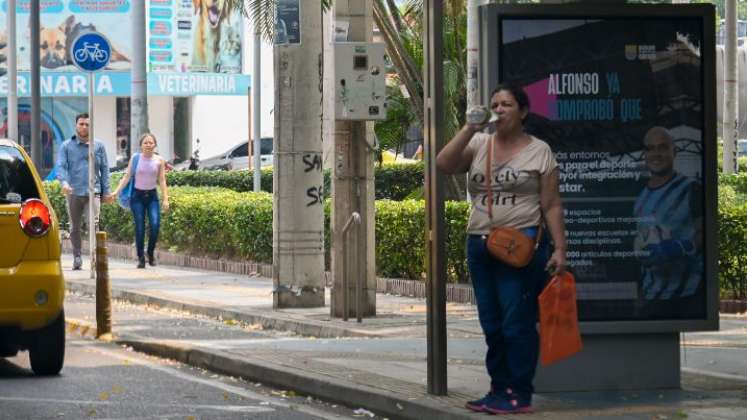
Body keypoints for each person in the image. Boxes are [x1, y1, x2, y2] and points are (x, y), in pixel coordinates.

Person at [436, 83, 567, 415]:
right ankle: (498, 388)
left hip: (520, 244)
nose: (500, 109)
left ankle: (519, 393)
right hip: (480, 241)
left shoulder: (540, 151)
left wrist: (560, 250)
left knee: (515, 322)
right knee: (491, 321)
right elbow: (444, 163)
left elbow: (551, 204)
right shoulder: (480, 143)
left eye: (507, 104)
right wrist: (470, 127)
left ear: (523, 112)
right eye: (496, 104)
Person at [634, 126, 703, 314]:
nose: (656, 153)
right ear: (644, 154)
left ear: (674, 151)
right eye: (650, 148)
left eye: (663, 147)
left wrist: (681, 247)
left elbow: (705, 233)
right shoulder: (640, 198)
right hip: (651, 297)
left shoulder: (691, 188)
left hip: (685, 295)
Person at [56, 113, 112, 270]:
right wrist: (64, 183)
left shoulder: (98, 146)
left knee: (93, 225)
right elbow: (61, 166)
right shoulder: (67, 146)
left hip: (93, 192)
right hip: (73, 192)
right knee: (74, 227)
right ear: (76, 125)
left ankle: (95, 256)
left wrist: (106, 191)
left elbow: (105, 169)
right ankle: (77, 256)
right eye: (81, 124)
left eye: (87, 124)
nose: (84, 127)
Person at [111, 133, 170, 268]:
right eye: (146, 143)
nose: (148, 145)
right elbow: (127, 176)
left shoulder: (159, 160)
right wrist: (116, 192)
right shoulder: (136, 158)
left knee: (155, 225)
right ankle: (140, 258)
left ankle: (150, 253)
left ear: (155, 145)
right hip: (137, 197)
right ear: (141, 145)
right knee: (140, 227)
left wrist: (165, 199)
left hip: (152, 197)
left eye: (151, 143)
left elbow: (162, 180)